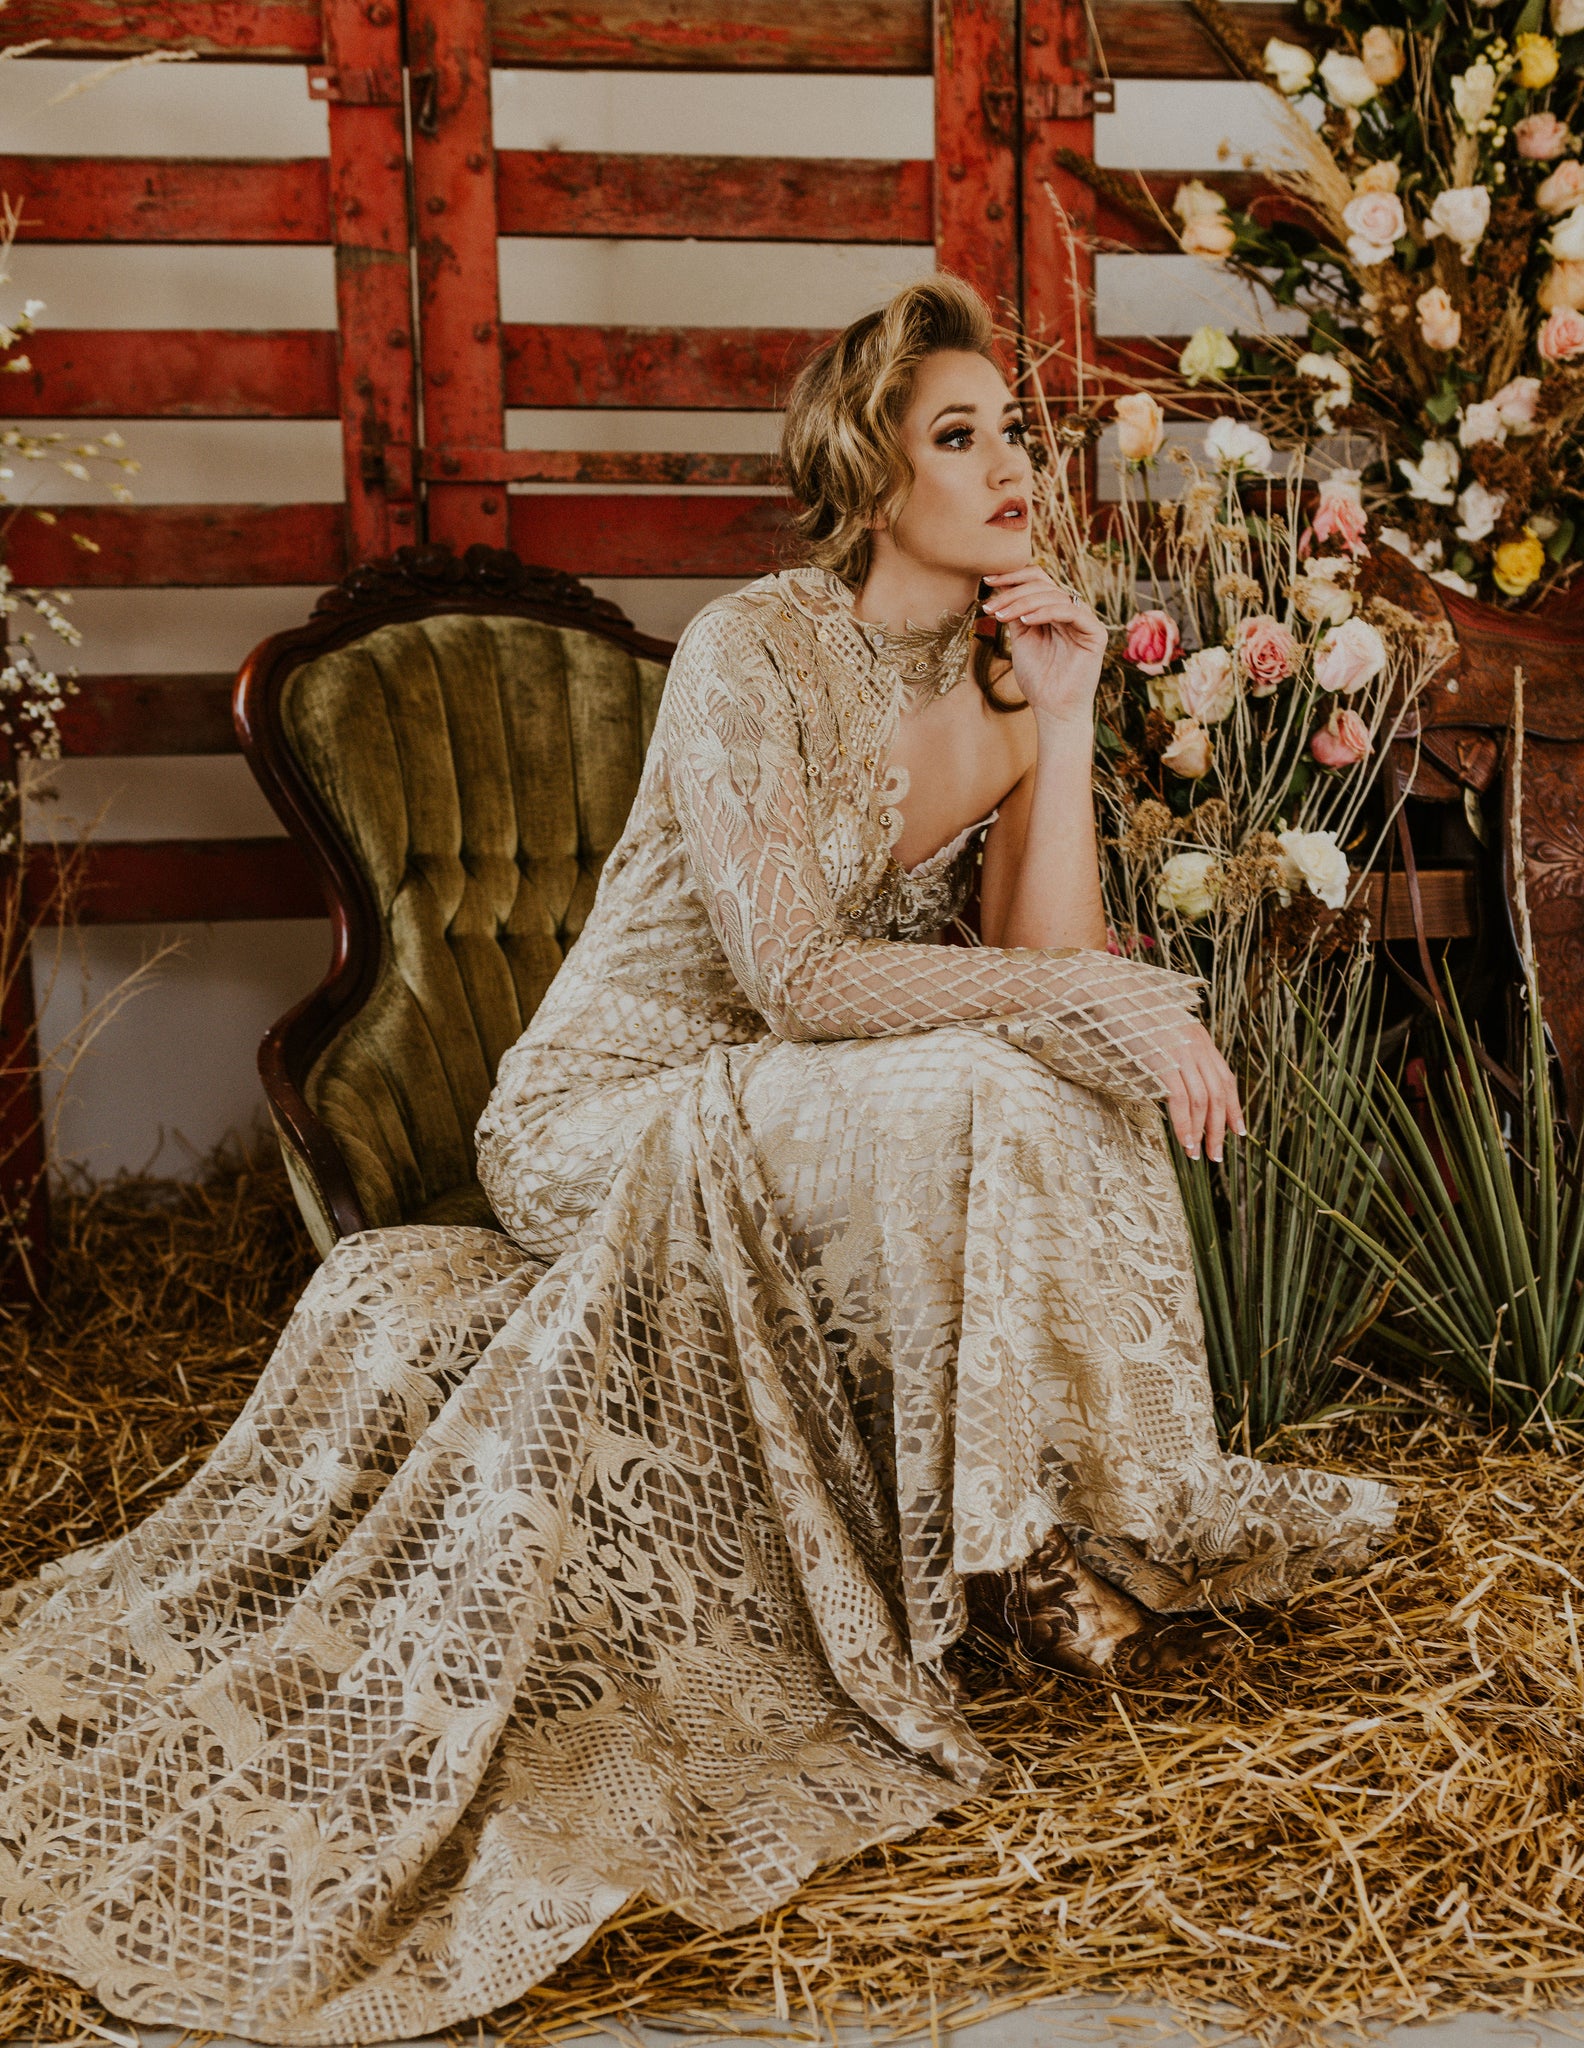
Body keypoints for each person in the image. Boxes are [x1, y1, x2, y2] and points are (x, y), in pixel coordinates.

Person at [0, 276, 1394, 2046]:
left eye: (1017, 435)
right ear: (869, 476)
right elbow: (796, 976)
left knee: (1051, 1067)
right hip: (614, 1104)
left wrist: (1059, 728)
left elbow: (1043, 951)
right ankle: (1018, 1551)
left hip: (810, 1093)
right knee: (1016, 1056)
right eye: (958, 437)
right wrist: (1078, 999)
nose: (1014, 468)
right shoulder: (751, 650)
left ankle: (1046, 1527)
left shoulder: (1008, 670)